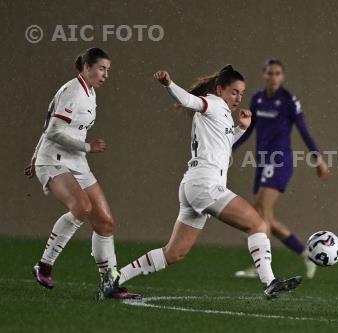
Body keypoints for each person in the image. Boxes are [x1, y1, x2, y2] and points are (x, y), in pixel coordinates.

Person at [103, 65, 302, 299]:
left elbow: (223, 145)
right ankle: (269, 283)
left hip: (193, 185)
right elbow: (188, 99)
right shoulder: (212, 102)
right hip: (206, 185)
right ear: (220, 89)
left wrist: (240, 129)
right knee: (257, 225)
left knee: (174, 253)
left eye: (241, 93)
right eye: (234, 92)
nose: (238, 98)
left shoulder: (222, 113)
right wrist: (169, 84)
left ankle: (115, 279)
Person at [24, 48, 139, 300]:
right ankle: (44, 266)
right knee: (82, 207)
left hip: (75, 160)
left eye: (108, 70)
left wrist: (35, 153)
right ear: (86, 67)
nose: (105, 74)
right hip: (54, 160)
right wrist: (86, 147)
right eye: (101, 68)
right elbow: (53, 132)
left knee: (105, 222)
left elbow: (49, 127)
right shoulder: (74, 91)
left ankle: (110, 283)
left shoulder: (90, 92)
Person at [232, 59, 331, 279]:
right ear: (264, 75)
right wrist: (229, 146)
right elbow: (249, 131)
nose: (274, 77)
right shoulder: (257, 99)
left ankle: (261, 267)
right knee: (262, 216)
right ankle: (305, 254)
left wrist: (319, 159)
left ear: (282, 77)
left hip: (279, 161)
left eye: (277, 73)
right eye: (270, 73)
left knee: (261, 214)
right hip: (261, 162)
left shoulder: (288, 101)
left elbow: (304, 131)